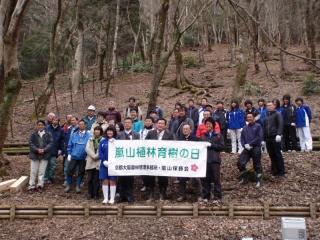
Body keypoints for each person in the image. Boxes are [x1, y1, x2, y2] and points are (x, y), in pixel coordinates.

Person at [145, 118, 174, 201]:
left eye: (162, 123)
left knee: (163, 178)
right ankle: (151, 193)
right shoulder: (151, 133)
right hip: (152, 159)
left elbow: (173, 146)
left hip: (163, 160)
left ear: (165, 125)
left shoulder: (170, 135)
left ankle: (162, 193)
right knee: (150, 177)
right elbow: (145, 144)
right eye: (159, 123)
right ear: (156, 124)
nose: (160, 125)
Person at [200, 118, 224, 201]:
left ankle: (217, 197)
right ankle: (206, 196)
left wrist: (211, 145)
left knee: (216, 179)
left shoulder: (218, 135)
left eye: (209, 124)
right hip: (205, 161)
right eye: (206, 124)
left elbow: (221, 147)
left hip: (215, 160)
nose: (208, 125)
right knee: (205, 179)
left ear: (213, 125)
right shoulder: (203, 136)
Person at [117, 118, 140, 203]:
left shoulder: (137, 135)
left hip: (132, 160)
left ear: (131, 124)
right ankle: (121, 196)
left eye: (129, 123)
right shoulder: (119, 135)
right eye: (125, 122)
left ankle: (130, 196)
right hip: (122, 160)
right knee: (121, 178)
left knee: (130, 179)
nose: (127, 124)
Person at [238, 113, 263, 187]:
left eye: (250, 117)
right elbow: (242, 138)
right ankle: (245, 178)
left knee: (257, 164)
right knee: (240, 163)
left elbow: (259, 137)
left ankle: (259, 180)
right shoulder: (245, 128)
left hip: (256, 147)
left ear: (253, 118)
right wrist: (244, 145)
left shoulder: (258, 126)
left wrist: (250, 144)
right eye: (248, 117)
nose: (249, 118)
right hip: (247, 148)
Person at [65, 120, 91, 193]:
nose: (81, 126)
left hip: (83, 157)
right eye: (80, 124)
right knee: (70, 170)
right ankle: (68, 185)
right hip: (74, 156)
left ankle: (78, 186)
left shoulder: (89, 135)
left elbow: (90, 146)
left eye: (82, 124)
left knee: (81, 172)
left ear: (85, 125)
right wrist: (69, 154)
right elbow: (70, 144)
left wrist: (88, 155)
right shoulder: (74, 134)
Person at [28, 120, 53, 191]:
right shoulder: (33, 134)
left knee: (42, 172)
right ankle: (31, 186)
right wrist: (37, 150)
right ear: (37, 126)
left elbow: (50, 143)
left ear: (44, 126)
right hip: (34, 155)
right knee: (33, 171)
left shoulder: (48, 134)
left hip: (44, 155)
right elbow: (30, 143)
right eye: (39, 125)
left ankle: (40, 185)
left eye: (42, 125)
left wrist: (44, 150)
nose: (40, 126)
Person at [177, 124, 198, 202]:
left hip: (194, 163)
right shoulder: (179, 139)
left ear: (190, 130)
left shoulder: (195, 139)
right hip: (184, 163)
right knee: (182, 179)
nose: (185, 130)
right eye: (184, 129)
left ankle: (198, 196)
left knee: (197, 178)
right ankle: (182, 195)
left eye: (187, 129)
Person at [264, 101, 285, 177]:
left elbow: (280, 124)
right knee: (271, 155)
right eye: (267, 106)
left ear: (274, 106)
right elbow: (264, 128)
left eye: (270, 105)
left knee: (277, 154)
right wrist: (263, 138)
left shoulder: (277, 114)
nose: (268, 107)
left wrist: (279, 134)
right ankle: (274, 170)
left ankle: (281, 171)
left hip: (275, 137)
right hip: (268, 138)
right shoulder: (267, 116)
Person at [99, 126, 118, 204]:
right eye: (108, 131)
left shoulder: (116, 141)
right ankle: (105, 198)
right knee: (105, 180)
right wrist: (103, 161)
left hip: (113, 164)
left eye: (111, 131)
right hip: (104, 165)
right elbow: (100, 152)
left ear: (114, 132)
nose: (109, 132)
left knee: (112, 180)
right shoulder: (103, 142)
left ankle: (112, 198)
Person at [44, 117, 64, 184]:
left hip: (55, 150)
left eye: (57, 120)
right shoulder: (47, 128)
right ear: (52, 121)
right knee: (46, 165)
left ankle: (51, 177)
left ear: (58, 121)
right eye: (54, 120)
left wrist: (60, 149)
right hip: (46, 150)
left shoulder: (61, 130)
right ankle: (45, 178)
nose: (55, 121)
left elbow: (61, 141)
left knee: (53, 165)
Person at [85, 126, 103, 200]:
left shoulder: (103, 140)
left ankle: (96, 194)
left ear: (100, 131)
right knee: (89, 179)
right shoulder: (90, 139)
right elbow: (87, 148)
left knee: (96, 179)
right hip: (90, 161)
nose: (97, 132)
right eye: (96, 130)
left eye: (98, 130)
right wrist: (94, 156)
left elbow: (102, 150)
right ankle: (90, 193)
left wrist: (97, 156)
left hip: (98, 162)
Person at [139, 116, 155, 192]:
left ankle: (151, 185)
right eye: (146, 121)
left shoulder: (154, 131)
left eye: (149, 121)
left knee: (151, 169)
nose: (148, 122)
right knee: (143, 169)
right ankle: (145, 184)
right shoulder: (141, 131)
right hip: (142, 152)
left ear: (152, 122)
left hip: (152, 152)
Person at [62, 116, 78, 186]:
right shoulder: (68, 129)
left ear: (77, 121)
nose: (72, 122)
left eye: (74, 120)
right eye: (71, 120)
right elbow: (64, 140)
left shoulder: (80, 129)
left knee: (77, 168)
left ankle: (78, 181)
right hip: (68, 151)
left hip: (77, 152)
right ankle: (67, 180)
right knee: (66, 167)